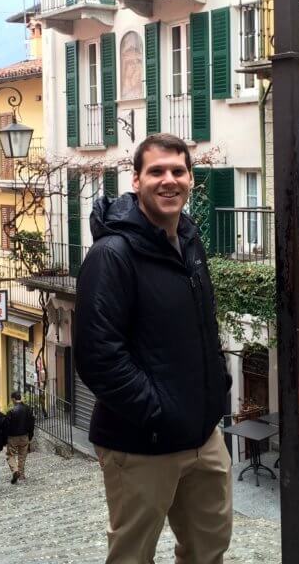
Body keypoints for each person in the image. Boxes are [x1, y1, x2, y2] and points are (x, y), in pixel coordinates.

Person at [75, 133, 233, 564]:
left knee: (209, 550)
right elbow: (98, 357)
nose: (169, 180)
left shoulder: (190, 242)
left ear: (191, 179)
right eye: (157, 171)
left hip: (203, 436)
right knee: (133, 556)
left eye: (178, 171)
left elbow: (204, 325)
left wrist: (217, 387)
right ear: (136, 180)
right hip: (140, 443)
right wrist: (158, 412)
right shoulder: (111, 255)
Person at [5, 390, 35, 484]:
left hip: (12, 437)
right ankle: (21, 475)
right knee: (22, 456)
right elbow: (31, 424)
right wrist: (30, 436)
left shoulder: (11, 411)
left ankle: (15, 471)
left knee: (10, 455)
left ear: (13, 399)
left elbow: (6, 426)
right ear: (20, 398)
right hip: (24, 436)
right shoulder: (28, 409)